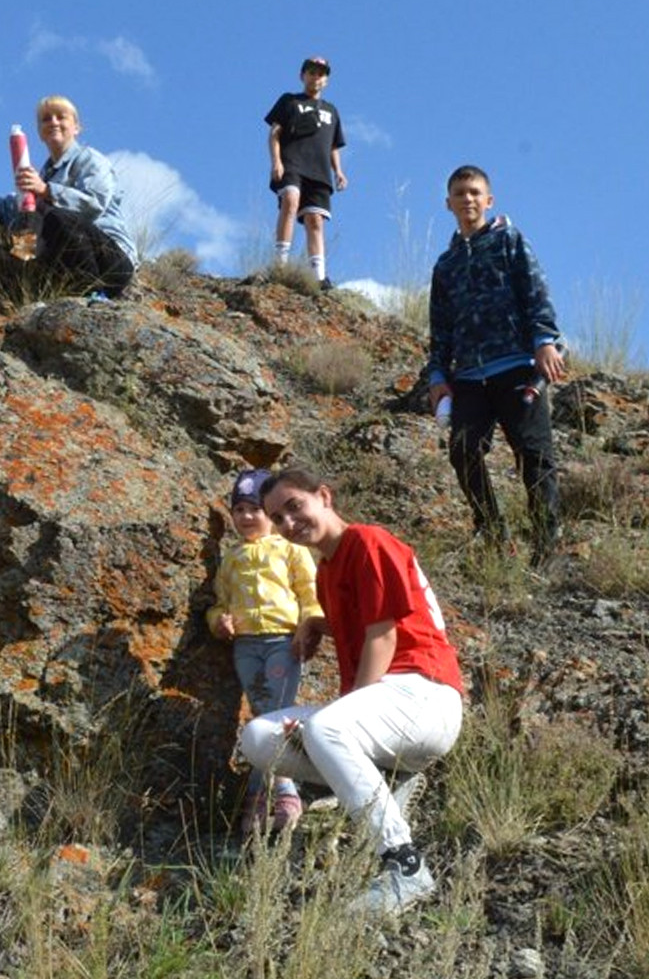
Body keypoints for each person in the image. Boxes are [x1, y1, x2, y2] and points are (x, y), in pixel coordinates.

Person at [236, 468, 466, 915]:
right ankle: (387, 780)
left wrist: (338, 718)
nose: (288, 523)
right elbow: (363, 621)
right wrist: (316, 623)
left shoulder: (367, 541)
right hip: (389, 709)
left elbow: (385, 637)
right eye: (277, 518)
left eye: (295, 507)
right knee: (259, 738)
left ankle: (405, 865)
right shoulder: (327, 571)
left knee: (326, 727)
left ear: (324, 496)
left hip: (425, 692)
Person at [422, 164, 568, 560]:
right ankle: (491, 530)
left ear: (489, 200)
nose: (467, 199)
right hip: (469, 377)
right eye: (459, 193)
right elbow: (440, 326)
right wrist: (437, 375)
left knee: (534, 455)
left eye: (474, 192)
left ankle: (546, 544)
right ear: (448, 203)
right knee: (462, 450)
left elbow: (536, 291)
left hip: (518, 365)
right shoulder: (445, 265)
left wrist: (544, 341)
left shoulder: (509, 240)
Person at [206, 468, 321, 834]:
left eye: (254, 509)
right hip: (245, 645)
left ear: (269, 515)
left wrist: (308, 627)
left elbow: (310, 592)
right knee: (262, 716)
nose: (246, 517)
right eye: (238, 510)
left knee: (275, 716)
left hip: (282, 641)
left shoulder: (290, 549)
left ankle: (275, 794)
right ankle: (276, 792)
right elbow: (219, 602)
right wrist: (218, 621)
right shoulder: (232, 557)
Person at [0, 95, 137, 298]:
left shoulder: (90, 160)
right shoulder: (44, 175)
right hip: (68, 261)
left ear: (76, 127)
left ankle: (92, 294)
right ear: (40, 132)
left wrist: (46, 190)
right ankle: (19, 280)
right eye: (46, 119)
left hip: (111, 262)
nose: (53, 122)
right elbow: (13, 206)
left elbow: (94, 204)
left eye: (61, 117)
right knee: (26, 222)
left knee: (55, 216)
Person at [262, 56, 347, 290]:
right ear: (302, 76)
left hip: (319, 170)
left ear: (326, 80)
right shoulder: (289, 101)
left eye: (320, 74)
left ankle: (319, 276)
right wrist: (276, 161)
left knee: (315, 220)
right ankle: (280, 264)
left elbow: (333, 146)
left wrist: (339, 171)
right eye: (311, 72)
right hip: (292, 163)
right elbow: (274, 133)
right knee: (290, 200)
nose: (315, 77)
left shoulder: (331, 110)